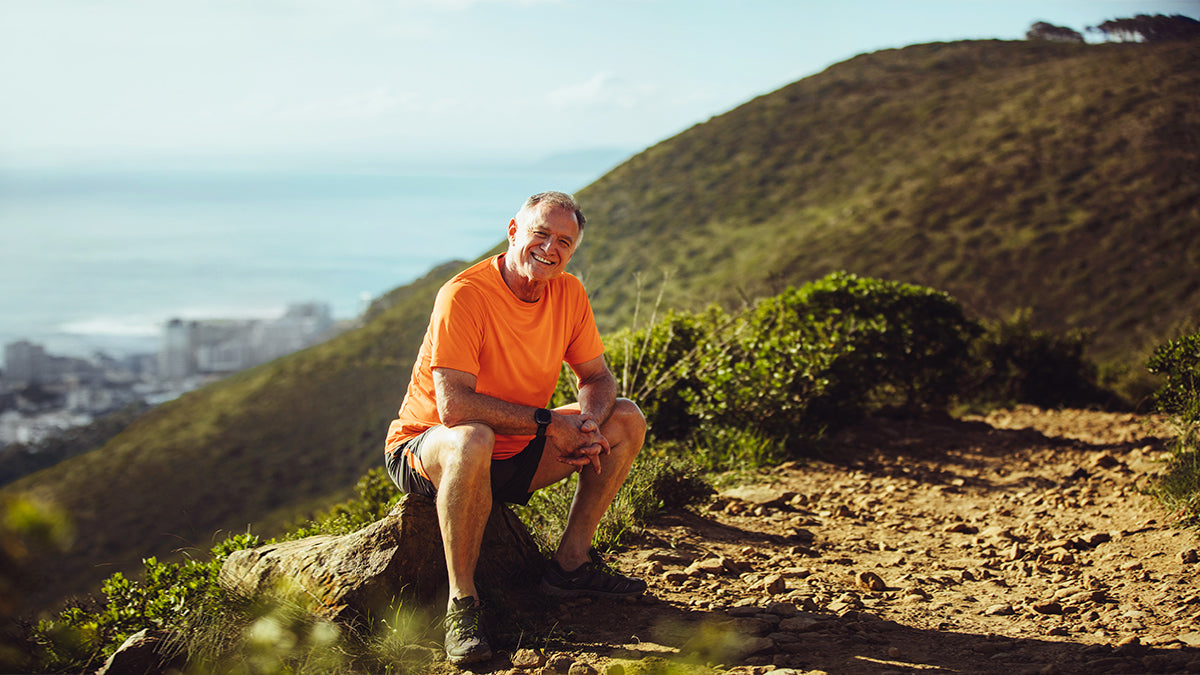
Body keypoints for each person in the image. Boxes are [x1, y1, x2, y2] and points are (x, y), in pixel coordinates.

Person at [383, 191, 648, 665]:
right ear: (513, 231)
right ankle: (462, 605)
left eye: (564, 242)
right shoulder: (465, 295)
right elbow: (454, 407)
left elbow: (597, 377)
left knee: (625, 415)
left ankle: (570, 565)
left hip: (516, 449)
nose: (550, 249)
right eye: (541, 234)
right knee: (473, 435)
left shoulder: (569, 292)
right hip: (428, 450)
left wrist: (585, 423)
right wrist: (550, 423)